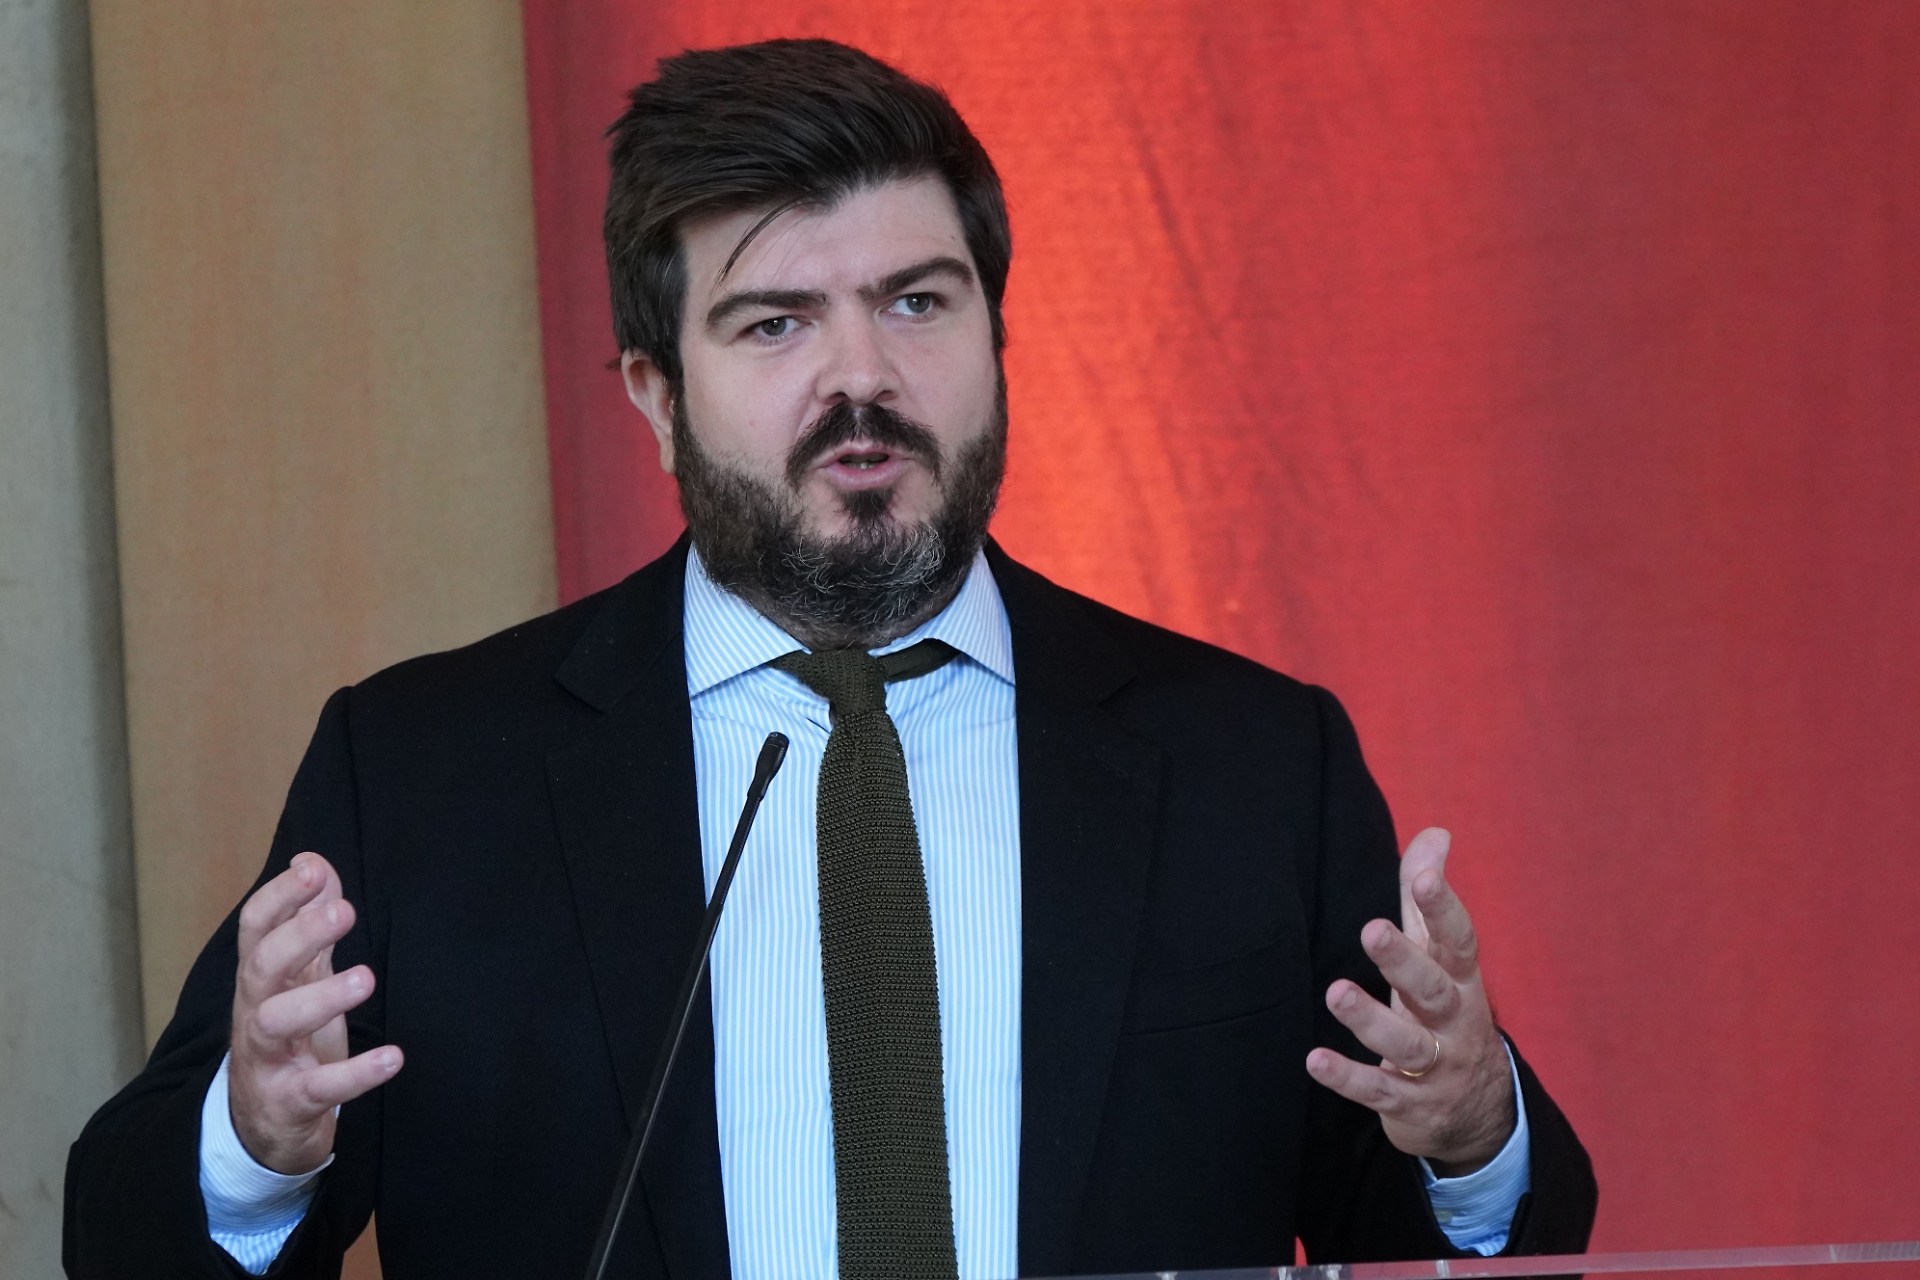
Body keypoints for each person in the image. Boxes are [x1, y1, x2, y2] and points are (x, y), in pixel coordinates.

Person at [65, 39, 1596, 1280]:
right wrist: (255, 1148)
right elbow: (124, 1237)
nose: (863, 376)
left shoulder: (1251, 764)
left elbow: (1454, 1240)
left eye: (916, 303)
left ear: (997, 338)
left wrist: (1471, 1136)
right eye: (775, 325)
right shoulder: (424, 775)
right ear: (655, 393)